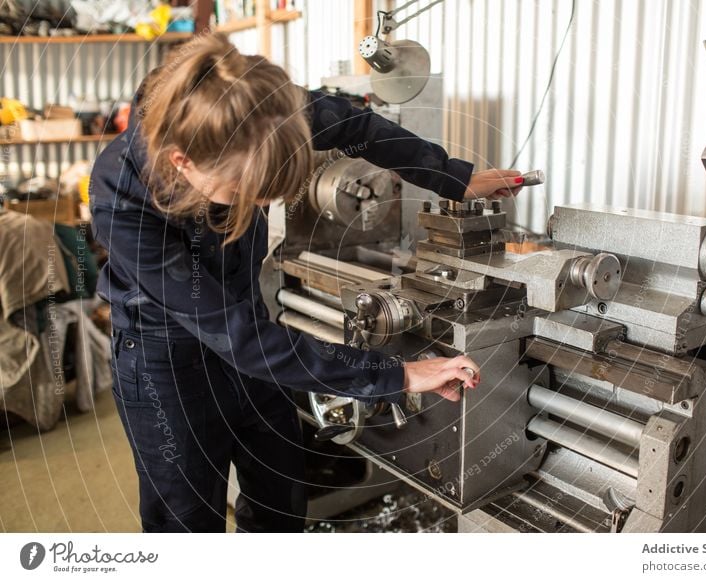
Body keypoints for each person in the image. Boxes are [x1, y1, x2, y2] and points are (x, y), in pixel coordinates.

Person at [89, 33, 526, 533]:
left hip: (247, 326)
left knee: (281, 497)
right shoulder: (120, 194)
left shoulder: (262, 109)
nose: (256, 208)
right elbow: (240, 338)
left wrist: (451, 176)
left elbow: (359, 125)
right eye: (244, 191)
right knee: (187, 523)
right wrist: (399, 374)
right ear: (183, 163)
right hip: (164, 360)